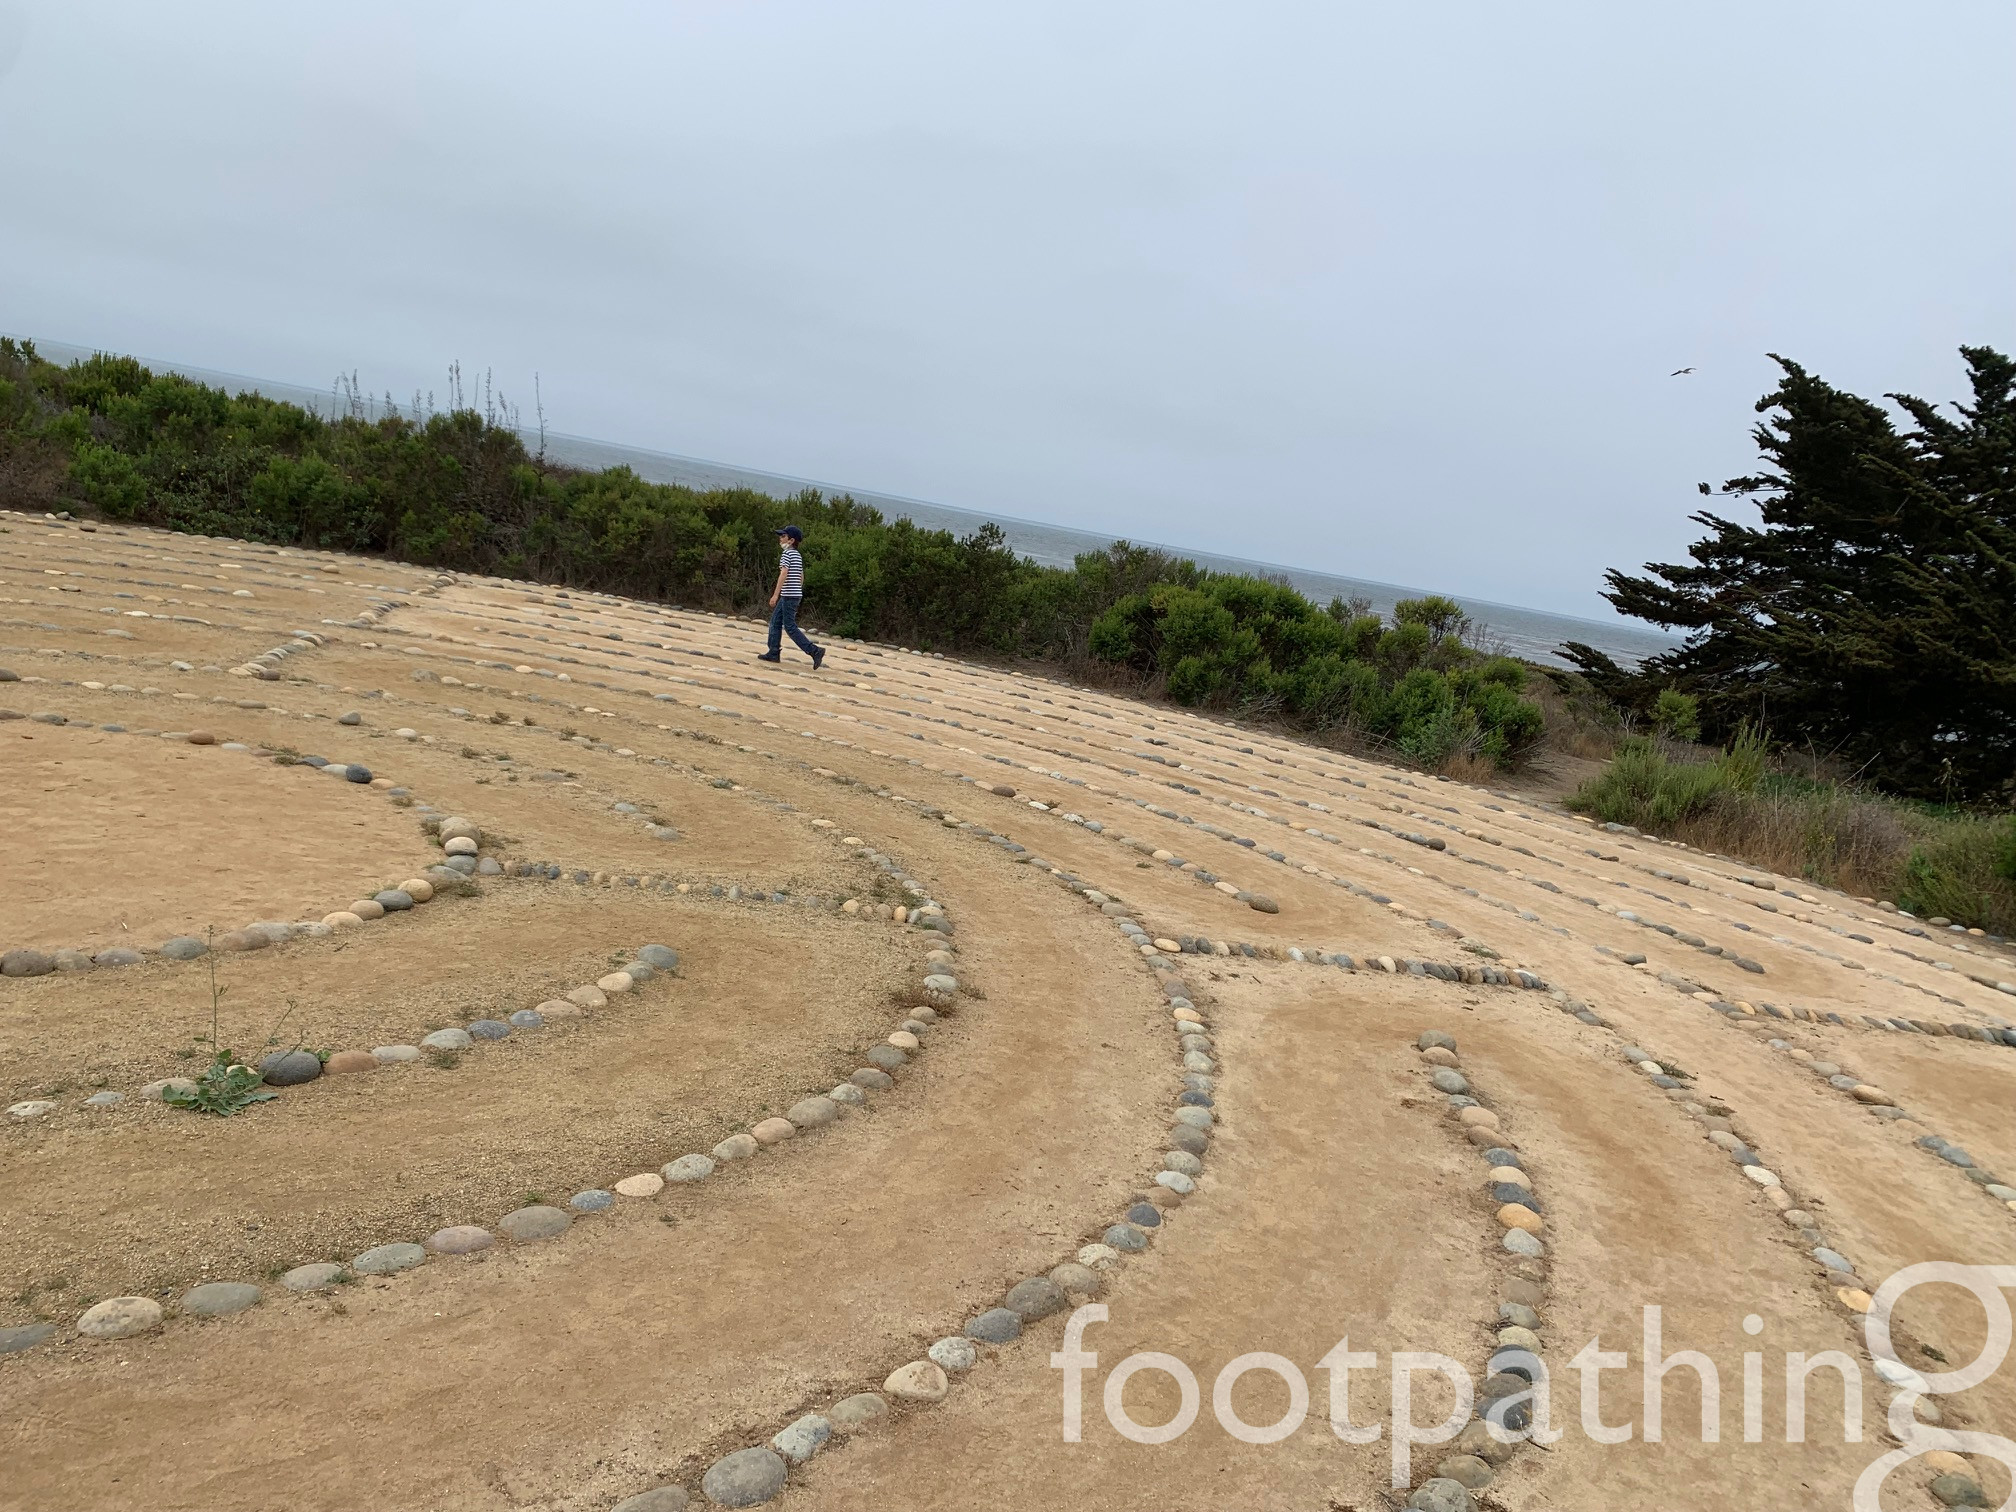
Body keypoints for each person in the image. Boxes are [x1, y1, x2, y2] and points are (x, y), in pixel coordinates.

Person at [758, 524, 825, 669]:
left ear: (791, 540)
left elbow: (783, 573)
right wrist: (797, 590)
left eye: (783, 536)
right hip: (793, 595)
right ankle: (774, 652)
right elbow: (801, 576)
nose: (780, 539)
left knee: (790, 627)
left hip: (788, 596)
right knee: (775, 622)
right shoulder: (797, 555)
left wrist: (775, 595)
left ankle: (814, 651)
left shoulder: (787, 554)